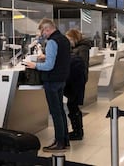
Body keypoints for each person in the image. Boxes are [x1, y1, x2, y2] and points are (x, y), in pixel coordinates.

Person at [23, 18, 70, 152]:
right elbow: (60, 57)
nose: (42, 34)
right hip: (61, 80)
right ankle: (65, 140)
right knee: (60, 111)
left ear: (47, 29)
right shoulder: (64, 39)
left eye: (42, 31)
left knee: (55, 112)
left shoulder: (52, 42)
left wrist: (34, 65)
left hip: (52, 81)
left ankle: (59, 143)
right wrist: (46, 57)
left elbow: (49, 66)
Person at [64, 29, 91, 141]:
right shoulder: (79, 48)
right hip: (76, 79)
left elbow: (80, 64)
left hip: (77, 80)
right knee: (72, 105)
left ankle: (77, 132)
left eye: (69, 39)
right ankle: (77, 131)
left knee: (73, 105)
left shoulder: (82, 49)